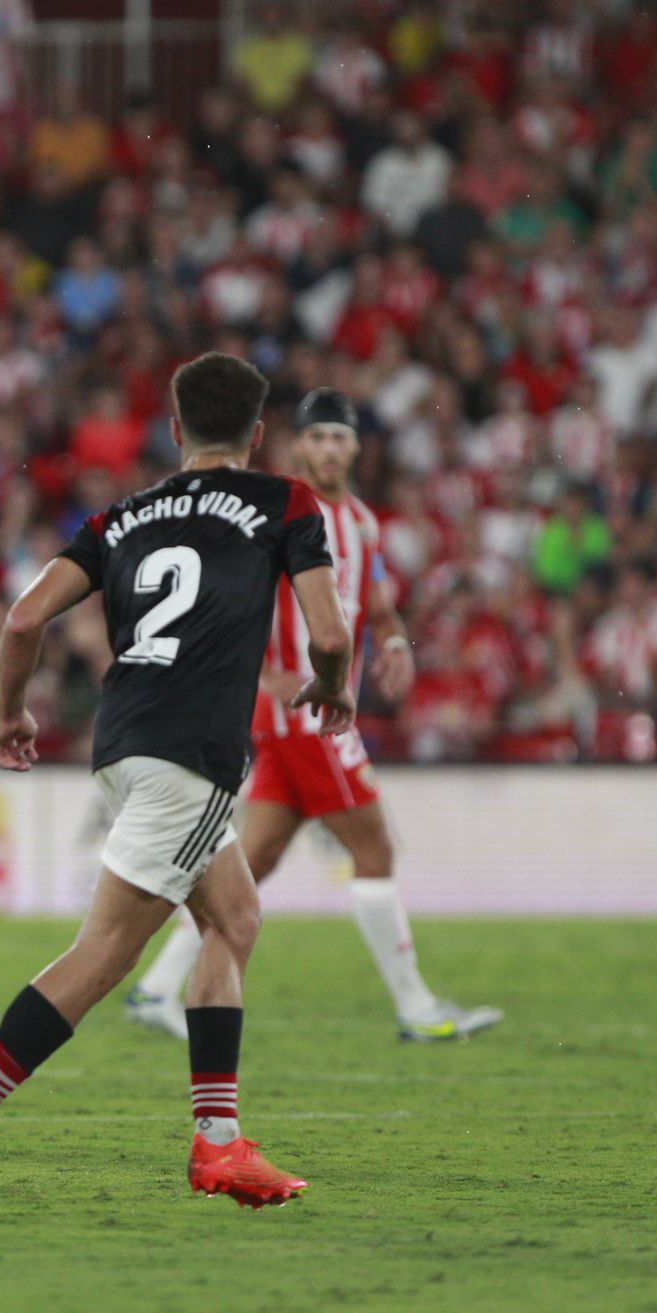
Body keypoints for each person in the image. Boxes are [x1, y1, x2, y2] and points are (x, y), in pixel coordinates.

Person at [0, 352, 355, 1213]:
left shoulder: (121, 514)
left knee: (235, 916)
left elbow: (27, 614)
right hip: (192, 753)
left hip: (124, 739)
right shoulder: (283, 499)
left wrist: (7, 715)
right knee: (106, 951)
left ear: (176, 431)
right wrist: (333, 690)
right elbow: (328, 636)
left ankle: (219, 1143)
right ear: (259, 437)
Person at [126, 389, 504, 1043]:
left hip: (305, 717)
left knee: (250, 865)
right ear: (298, 444)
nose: (329, 449)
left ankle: (155, 989)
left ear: (357, 447)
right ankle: (417, 1009)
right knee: (375, 848)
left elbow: (376, 602)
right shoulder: (273, 511)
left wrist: (391, 643)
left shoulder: (359, 520)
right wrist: (258, 673)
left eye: (341, 437)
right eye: (318, 437)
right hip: (307, 714)